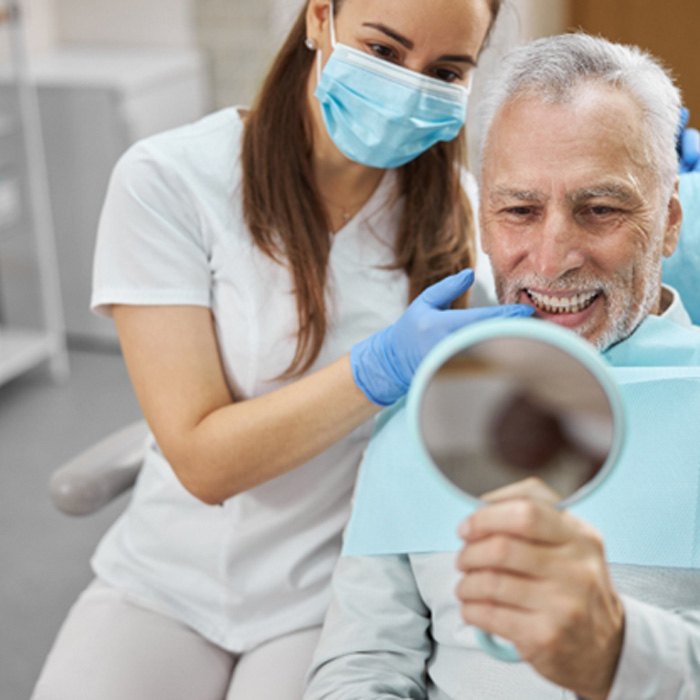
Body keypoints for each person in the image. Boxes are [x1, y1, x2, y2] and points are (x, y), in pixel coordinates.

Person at [31, 1, 543, 699]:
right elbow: (203, 463)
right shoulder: (172, 181)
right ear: (318, 18)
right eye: (385, 52)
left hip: (329, 594)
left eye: (445, 70)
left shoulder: (456, 212)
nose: (409, 86)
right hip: (164, 579)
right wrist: (379, 368)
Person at [304, 34, 700, 700]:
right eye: (519, 210)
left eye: (599, 209)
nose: (551, 260)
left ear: (667, 224)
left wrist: (619, 653)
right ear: (483, 219)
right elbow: (364, 659)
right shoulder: (426, 406)